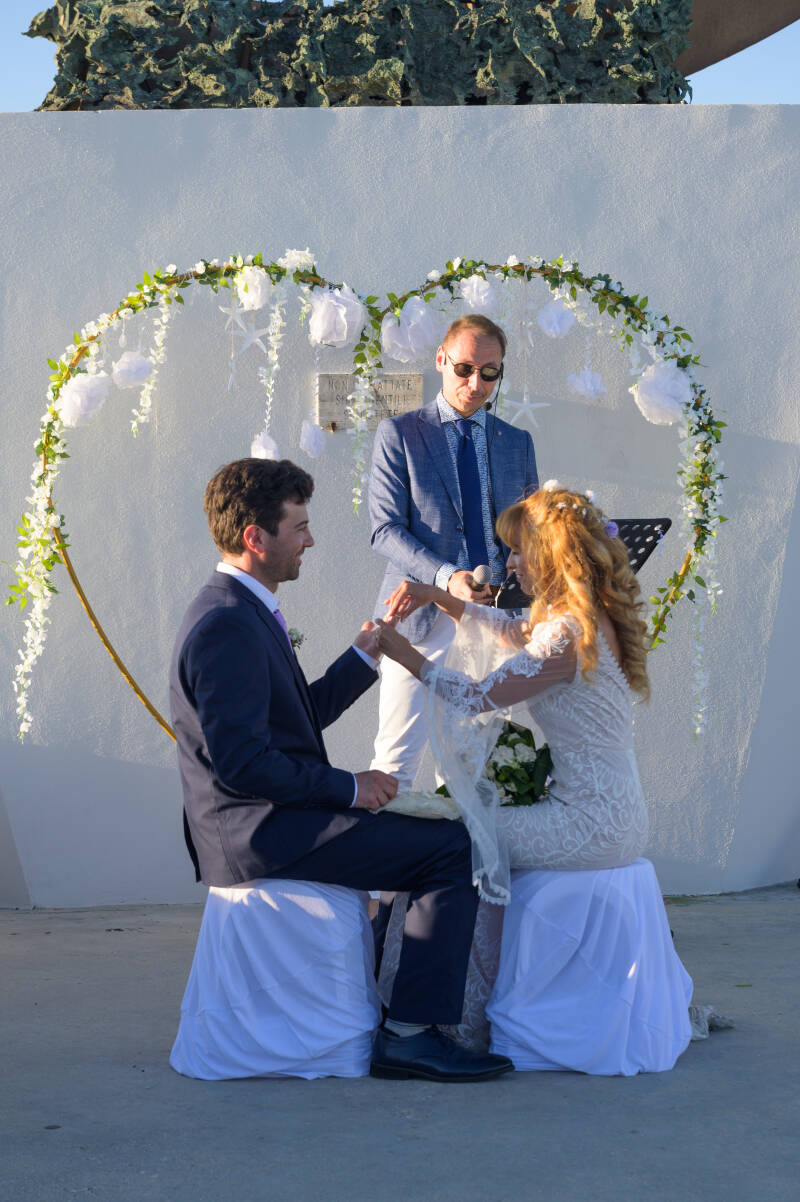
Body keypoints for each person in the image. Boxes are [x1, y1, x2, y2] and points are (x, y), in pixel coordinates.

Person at [169, 457, 513, 1083]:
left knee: (437, 838)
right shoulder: (225, 626)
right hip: (258, 835)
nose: (310, 539)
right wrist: (351, 787)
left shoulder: (241, 609)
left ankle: (399, 1006)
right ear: (256, 538)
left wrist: (368, 648)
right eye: (299, 527)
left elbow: (296, 721)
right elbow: (242, 764)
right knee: (452, 848)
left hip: (275, 817)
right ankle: (409, 1035)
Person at [373, 484, 694, 1072]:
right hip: (612, 813)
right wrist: (436, 595)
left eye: (518, 551)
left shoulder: (567, 635)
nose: (509, 563)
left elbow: (473, 696)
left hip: (589, 823)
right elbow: (511, 631)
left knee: (456, 843)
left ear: (550, 555)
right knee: (462, 834)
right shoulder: (584, 620)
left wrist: (400, 651)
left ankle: (421, 1023)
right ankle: (427, 1013)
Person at [369, 313, 538, 791]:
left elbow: (528, 531)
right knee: (395, 762)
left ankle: (463, 864)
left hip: (495, 620)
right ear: (440, 360)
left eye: (489, 372)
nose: (475, 382)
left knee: (475, 765)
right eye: (465, 368)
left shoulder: (516, 441)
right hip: (419, 616)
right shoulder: (400, 433)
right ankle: (388, 865)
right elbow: (384, 529)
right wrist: (446, 578)